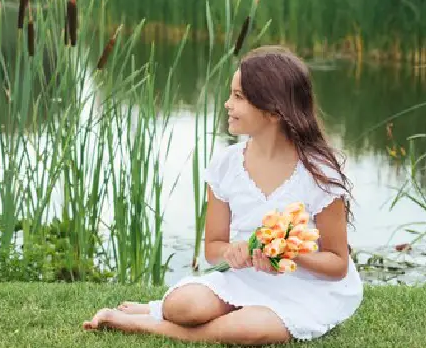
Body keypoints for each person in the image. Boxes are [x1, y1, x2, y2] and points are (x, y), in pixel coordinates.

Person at [83, 45, 363, 344]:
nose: (227, 104)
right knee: (183, 306)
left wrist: (290, 253)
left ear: (273, 111)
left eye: (238, 97)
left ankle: (142, 322)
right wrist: (234, 252)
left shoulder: (319, 174)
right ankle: (159, 310)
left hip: (305, 288)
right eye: (231, 94)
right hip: (244, 279)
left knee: (251, 330)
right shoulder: (226, 165)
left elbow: (337, 264)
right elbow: (213, 248)